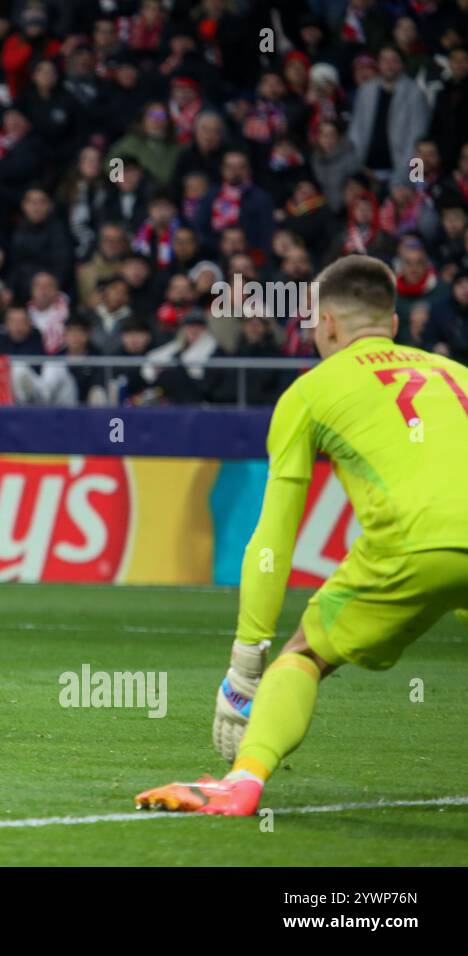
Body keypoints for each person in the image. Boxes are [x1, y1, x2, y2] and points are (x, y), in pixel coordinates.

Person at [136, 255, 468, 815]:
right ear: (391, 323)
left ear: (329, 325)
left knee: (307, 653)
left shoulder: (310, 392)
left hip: (411, 544)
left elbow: (274, 536)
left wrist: (246, 663)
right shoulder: (458, 374)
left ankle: (242, 782)